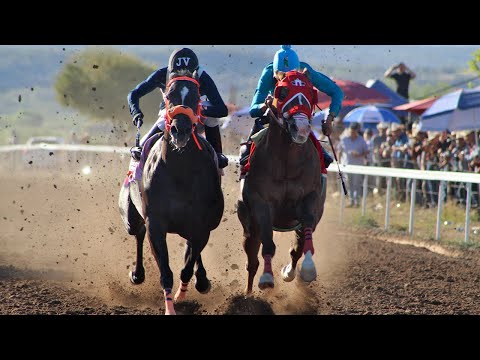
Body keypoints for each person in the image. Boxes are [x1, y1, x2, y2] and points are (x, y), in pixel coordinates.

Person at [239, 45, 344, 174]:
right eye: (281, 76)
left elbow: (337, 92)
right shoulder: (268, 73)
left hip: (299, 120)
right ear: (275, 72)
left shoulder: (306, 71)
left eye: (291, 75)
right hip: (274, 119)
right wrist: (264, 105)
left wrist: (329, 119)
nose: (286, 78)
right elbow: (253, 110)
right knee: (245, 154)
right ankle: (246, 177)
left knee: (324, 159)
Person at [127, 47, 229, 168]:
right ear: (171, 72)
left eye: (188, 75)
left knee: (212, 119)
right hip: (171, 110)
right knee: (159, 126)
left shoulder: (202, 76)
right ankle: (136, 165)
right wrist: (136, 112)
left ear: (195, 73)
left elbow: (222, 109)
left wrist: (200, 111)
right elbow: (133, 94)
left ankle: (218, 155)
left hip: (196, 110)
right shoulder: (162, 74)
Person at [337, 122, 369, 207]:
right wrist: (338, 163)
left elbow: (366, 151)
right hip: (346, 166)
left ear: (357, 131)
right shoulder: (344, 139)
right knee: (348, 183)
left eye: (353, 132)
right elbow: (339, 151)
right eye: (351, 131)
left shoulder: (361, 140)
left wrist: (359, 155)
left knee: (356, 184)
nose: (352, 133)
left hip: (357, 166)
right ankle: (351, 201)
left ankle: (356, 201)